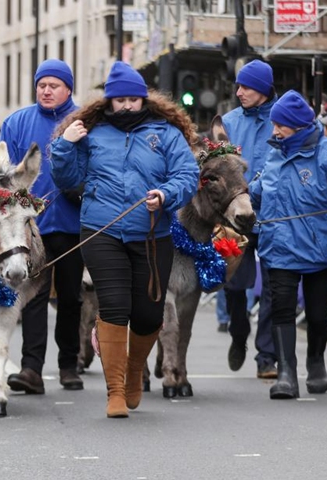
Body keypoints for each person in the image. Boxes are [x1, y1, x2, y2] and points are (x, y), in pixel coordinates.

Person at [50, 61, 199, 417]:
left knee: (148, 316)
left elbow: (187, 173)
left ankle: (134, 369)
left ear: (144, 99)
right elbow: (66, 178)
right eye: (121, 100)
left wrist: (166, 194)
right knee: (114, 307)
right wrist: (65, 146)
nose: (128, 105)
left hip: (151, 233)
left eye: (134, 99)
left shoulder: (164, 133)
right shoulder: (91, 131)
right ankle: (115, 390)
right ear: (109, 102)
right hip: (101, 231)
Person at [251, 90, 327, 400]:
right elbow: (259, 189)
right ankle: (286, 374)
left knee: (318, 313)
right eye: (274, 124)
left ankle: (315, 361)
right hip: (278, 249)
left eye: (281, 125)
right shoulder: (274, 153)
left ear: (299, 126)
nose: (275, 130)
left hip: (320, 250)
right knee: (281, 309)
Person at [0, 59, 84, 393]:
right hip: (29, 227)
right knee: (32, 295)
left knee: (70, 296)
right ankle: (31, 368)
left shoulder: (82, 120)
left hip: (71, 223)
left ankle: (68, 364)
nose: (46, 91)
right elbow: (6, 175)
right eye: (41, 85)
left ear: (68, 89)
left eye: (54, 85)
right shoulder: (16, 122)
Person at [220, 59, 279, 379]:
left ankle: (266, 357)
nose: (239, 92)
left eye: (246, 87)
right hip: (234, 219)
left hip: (272, 218)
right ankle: (238, 331)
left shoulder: (282, 120)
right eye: (238, 86)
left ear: (264, 89)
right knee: (232, 284)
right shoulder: (227, 121)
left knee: (273, 286)